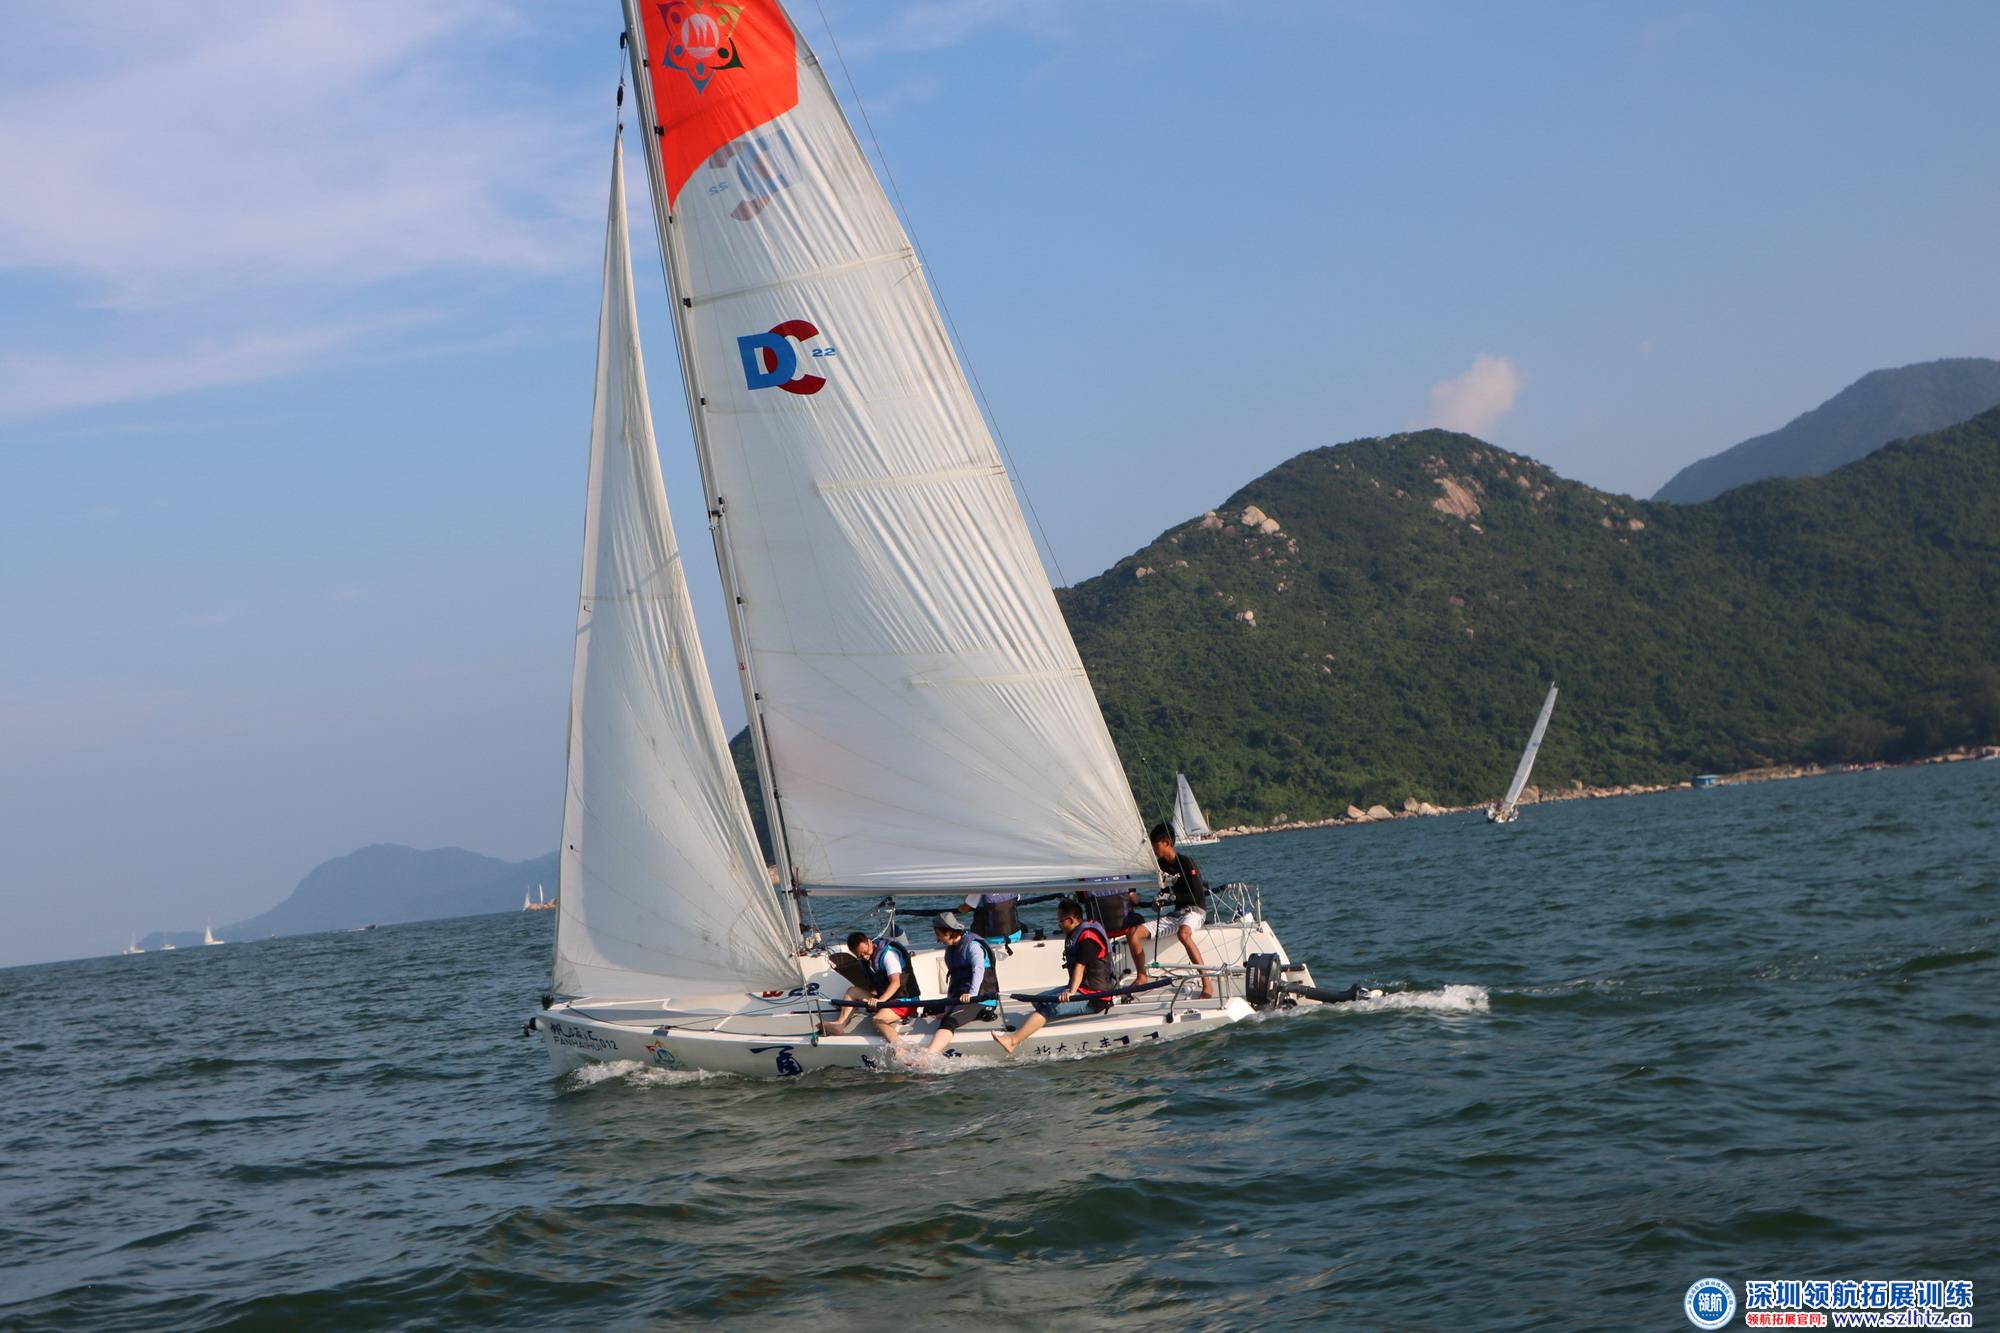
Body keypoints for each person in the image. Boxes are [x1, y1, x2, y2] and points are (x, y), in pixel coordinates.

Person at [991, 898, 1114, 1055]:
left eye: (1060, 921)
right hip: (1082, 989)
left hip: (1095, 997)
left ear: (1071, 920)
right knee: (1038, 1000)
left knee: (1048, 1007)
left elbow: (1080, 966)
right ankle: (1038, 1022)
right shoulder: (1078, 932)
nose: (1059, 925)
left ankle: (1013, 1041)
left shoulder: (1089, 937)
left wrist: (1071, 993)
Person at [1150, 822, 1214, 999]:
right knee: (1137, 932)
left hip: (1196, 910)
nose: (1153, 849)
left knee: (1183, 934)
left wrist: (1171, 898)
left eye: (1155, 844)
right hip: (1178, 912)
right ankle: (1142, 977)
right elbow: (1164, 890)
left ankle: (1207, 983)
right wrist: (1160, 900)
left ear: (1166, 843)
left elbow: (1197, 896)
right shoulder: (1161, 865)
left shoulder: (1186, 863)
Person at [820, 930, 919, 1042]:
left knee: (877, 1019)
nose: (865, 957)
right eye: (860, 955)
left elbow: (895, 983)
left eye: (865, 952)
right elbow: (874, 986)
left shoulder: (888, 955)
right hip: (886, 1000)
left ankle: (899, 1047)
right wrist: (873, 999)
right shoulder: (868, 960)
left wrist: (880, 1001)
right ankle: (840, 1024)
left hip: (905, 1002)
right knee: (852, 991)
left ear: (869, 942)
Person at [924, 912, 1000, 1053]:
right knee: (929, 1009)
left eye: (939, 935)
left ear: (949, 933)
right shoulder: (952, 948)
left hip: (981, 999)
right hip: (961, 997)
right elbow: (954, 981)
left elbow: (978, 970)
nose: (938, 940)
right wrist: (947, 1009)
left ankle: (928, 1055)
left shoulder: (973, 946)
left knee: (949, 1021)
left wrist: (972, 994)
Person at [1084, 884, 1150, 990]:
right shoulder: (1124, 877)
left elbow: (1083, 900)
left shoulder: (1084, 880)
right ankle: (1141, 974)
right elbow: (1135, 900)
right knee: (1139, 919)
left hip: (1098, 928)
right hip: (1124, 925)